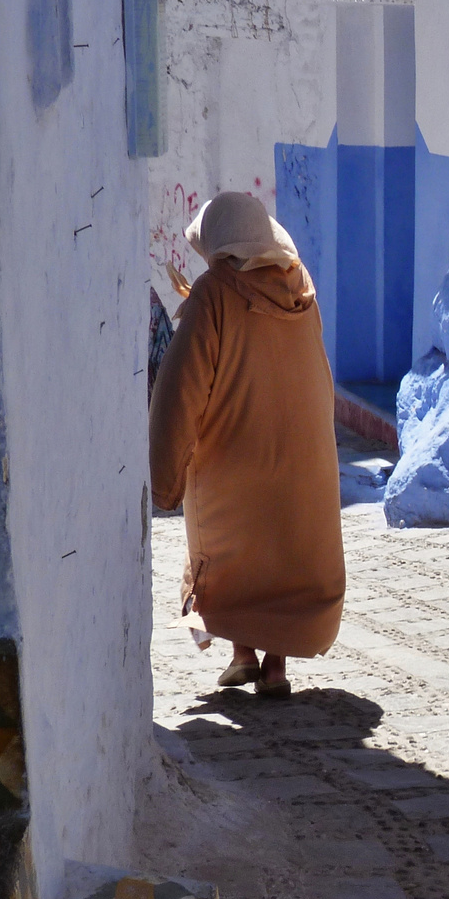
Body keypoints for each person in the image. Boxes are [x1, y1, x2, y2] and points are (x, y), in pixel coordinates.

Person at [149, 191, 344, 697]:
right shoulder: (301, 287)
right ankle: (275, 667)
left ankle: (242, 655)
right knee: (282, 556)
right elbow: (319, 376)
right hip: (299, 456)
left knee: (233, 555)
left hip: (232, 458)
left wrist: (164, 479)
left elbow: (181, 389)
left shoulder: (212, 294)